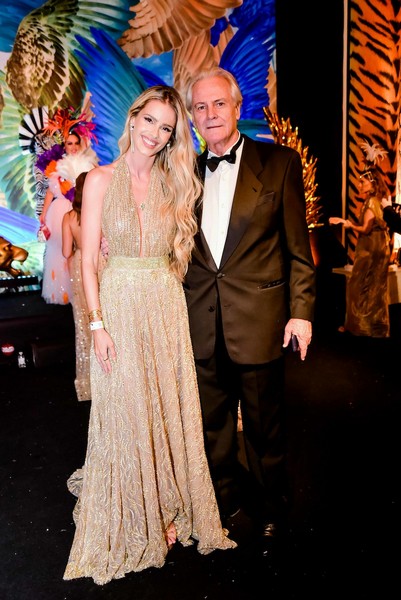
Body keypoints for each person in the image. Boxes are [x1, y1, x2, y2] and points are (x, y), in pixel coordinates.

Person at [63, 85, 236, 586]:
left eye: (166, 127)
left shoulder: (173, 183)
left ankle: (164, 506)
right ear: (133, 118)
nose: (155, 134)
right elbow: (89, 261)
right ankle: (134, 511)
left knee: (163, 407)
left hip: (164, 306)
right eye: (149, 120)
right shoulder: (100, 179)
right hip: (117, 304)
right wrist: (97, 324)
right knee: (126, 408)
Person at [183, 67, 316, 546]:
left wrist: (301, 313)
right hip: (200, 321)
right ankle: (222, 501)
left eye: (219, 103)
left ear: (237, 107)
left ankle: (272, 507)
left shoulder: (278, 163)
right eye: (200, 107)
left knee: (264, 428)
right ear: (192, 116)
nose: (210, 114)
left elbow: (298, 249)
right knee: (212, 427)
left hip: (260, 322)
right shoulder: (184, 173)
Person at [37, 108, 98, 305]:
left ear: (80, 144)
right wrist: (43, 214)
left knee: (80, 250)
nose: (72, 147)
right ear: (64, 145)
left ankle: (82, 289)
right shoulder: (56, 166)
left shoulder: (89, 165)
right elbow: (50, 192)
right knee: (60, 253)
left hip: (79, 212)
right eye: (69, 143)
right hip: (58, 214)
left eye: (75, 143)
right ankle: (63, 292)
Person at [329, 141, 391, 337]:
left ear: (371, 183)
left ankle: (362, 326)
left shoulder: (372, 201)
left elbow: (365, 228)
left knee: (360, 285)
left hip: (372, 249)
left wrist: (347, 223)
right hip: (376, 246)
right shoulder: (375, 200)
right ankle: (371, 326)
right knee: (372, 286)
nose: (359, 185)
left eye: (362, 182)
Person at [62, 172, 92, 401]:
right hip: (102, 263)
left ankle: (88, 382)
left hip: (80, 266)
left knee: (84, 323)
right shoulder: (100, 211)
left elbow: (66, 252)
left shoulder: (69, 217)